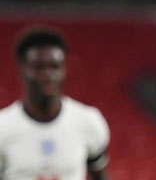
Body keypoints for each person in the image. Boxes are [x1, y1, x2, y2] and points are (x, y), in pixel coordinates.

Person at [0, 27, 110, 180]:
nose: (48, 75)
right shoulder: (3, 127)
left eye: (54, 66)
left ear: (64, 68)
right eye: (39, 67)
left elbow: (100, 175)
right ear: (22, 69)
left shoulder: (89, 121)